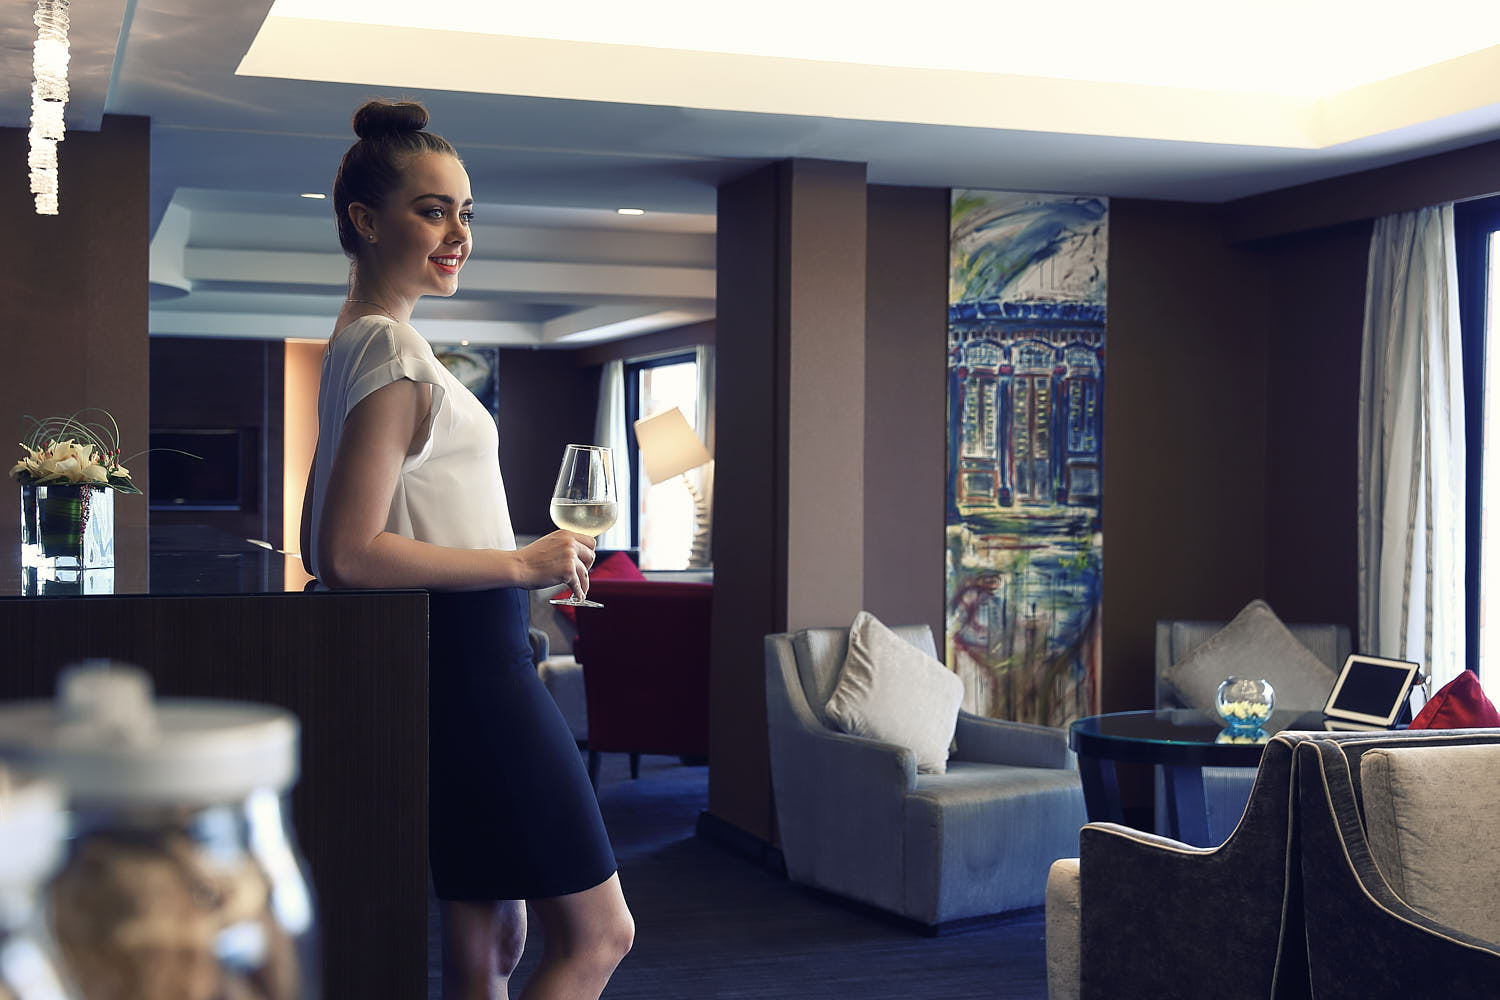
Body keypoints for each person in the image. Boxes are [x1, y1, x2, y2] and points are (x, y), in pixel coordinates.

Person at [299, 99, 633, 1000]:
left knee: (490, 944)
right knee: (602, 935)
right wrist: (524, 563)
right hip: (475, 670)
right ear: (365, 222)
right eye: (432, 209)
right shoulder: (392, 352)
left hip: (453, 664)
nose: (457, 235)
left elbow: (319, 537)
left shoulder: (355, 346)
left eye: (465, 213)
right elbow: (347, 553)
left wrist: (516, 557)